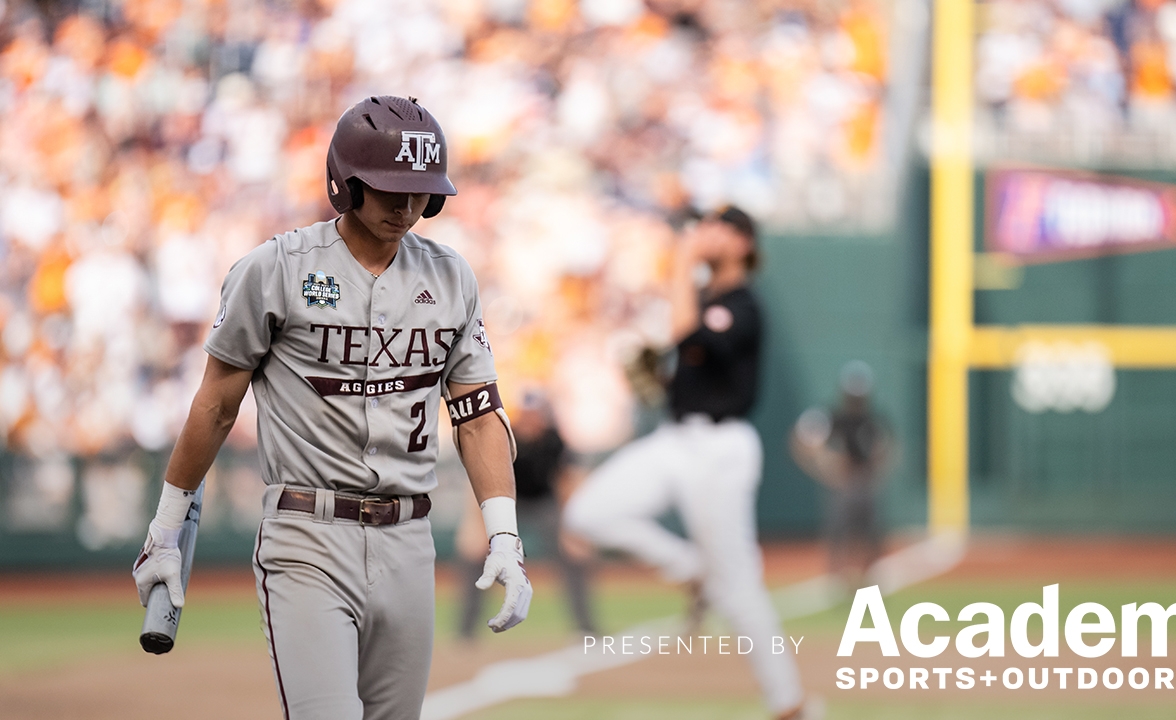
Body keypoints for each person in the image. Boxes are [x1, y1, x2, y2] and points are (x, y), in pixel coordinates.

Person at [131, 96, 532, 720]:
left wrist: (504, 535)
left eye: (421, 193)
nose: (406, 208)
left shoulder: (453, 277)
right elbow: (215, 404)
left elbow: (477, 415)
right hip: (307, 535)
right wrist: (163, 528)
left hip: (409, 538)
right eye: (389, 191)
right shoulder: (275, 269)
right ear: (344, 185)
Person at [564, 207, 816, 720]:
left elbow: (687, 332)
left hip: (721, 449)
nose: (704, 232)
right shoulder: (704, 299)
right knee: (587, 513)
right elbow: (684, 346)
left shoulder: (743, 305)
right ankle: (691, 569)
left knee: (740, 588)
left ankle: (791, 705)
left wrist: (682, 257)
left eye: (719, 226)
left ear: (744, 242)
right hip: (676, 439)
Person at [456, 391, 596, 638]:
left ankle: (585, 627)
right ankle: (466, 632)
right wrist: (477, 527)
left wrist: (572, 531)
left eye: (536, 415)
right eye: (527, 414)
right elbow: (481, 479)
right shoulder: (504, 438)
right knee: (475, 554)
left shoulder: (554, 442)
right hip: (508, 502)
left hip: (545, 503)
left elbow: (567, 484)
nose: (531, 420)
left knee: (575, 554)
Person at [790, 360, 893, 588]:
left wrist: (878, 471)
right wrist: (827, 466)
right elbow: (803, 441)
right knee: (839, 529)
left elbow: (886, 448)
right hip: (844, 483)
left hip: (865, 480)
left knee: (872, 531)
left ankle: (871, 575)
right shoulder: (832, 417)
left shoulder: (873, 419)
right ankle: (836, 576)